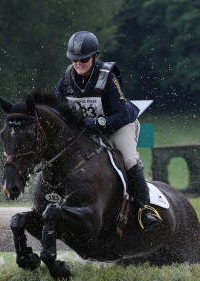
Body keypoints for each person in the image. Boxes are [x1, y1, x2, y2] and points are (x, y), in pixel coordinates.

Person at [55, 30, 161, 232]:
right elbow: (60, 112)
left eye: (83, 59)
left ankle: (145, 209)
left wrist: (96, 123)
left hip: (120, 126)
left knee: (129, 159)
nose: (78, 64)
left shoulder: (108, 78)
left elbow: (121, 114)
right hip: (89, 130)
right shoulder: (66, 81)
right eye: (74, 60)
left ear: (94, 56)